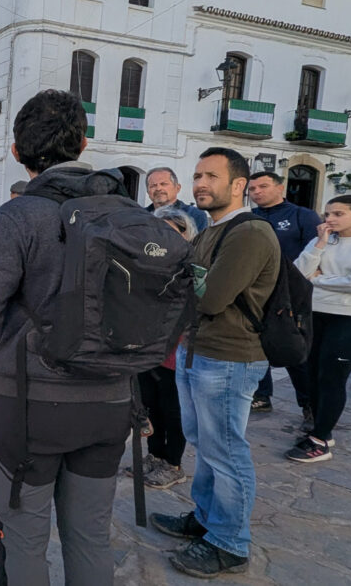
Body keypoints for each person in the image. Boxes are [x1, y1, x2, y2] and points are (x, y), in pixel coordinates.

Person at [0, 90, 135, 584]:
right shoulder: (125, 211)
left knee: (24, 534)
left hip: (34, 403)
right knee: (91, 534)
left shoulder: (18, 216)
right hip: (112, 398)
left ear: (16, 152)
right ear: (82, 141)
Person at [150, 147, 279, 578]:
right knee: (203, 444)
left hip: (229, 357)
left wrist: (183, 286)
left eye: (211, 176)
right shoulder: (211, 230)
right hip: (196, 349)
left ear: (238, 185)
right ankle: (206, 520)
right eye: (198, 175)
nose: (200, 183)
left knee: (225, 451)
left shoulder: (250, 233)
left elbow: (212, 296)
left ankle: (230, 542)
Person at [286, 195, 351, 463]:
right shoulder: (323, 239)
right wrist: (319, 244)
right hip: (315, 314)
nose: (329, 219)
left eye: (338, 214)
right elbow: (299, 271)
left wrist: (319, 280)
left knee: (332, 377)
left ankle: (320, 441)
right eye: (327, 214)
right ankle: (322, 430)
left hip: (350, 317)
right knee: (313, 373)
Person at [247, 171, 323, 418]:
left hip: (290, 293)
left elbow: (317, 253)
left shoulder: (302, 216)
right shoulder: (249, 218)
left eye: (263, 186)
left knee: (292, 349)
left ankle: (309, 403)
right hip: (257, 293)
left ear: (281, 188)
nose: (257, 192)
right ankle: (261, 396)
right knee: (258, 348)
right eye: (253, 188)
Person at [134, 206, 199, 490]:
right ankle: (155, 455)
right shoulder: (149, 263)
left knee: (174, 410)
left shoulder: (193, 264)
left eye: (171, 231)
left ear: (186, 234)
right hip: (150, 348)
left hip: (177, 350)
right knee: (153, 406)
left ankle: (173, 463)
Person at [145, 166, 209, 233]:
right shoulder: (140, 215)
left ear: (177, 188)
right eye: (153, 185)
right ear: (148, 192)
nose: (158, 188)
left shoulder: (194, 215)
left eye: (163, 184)